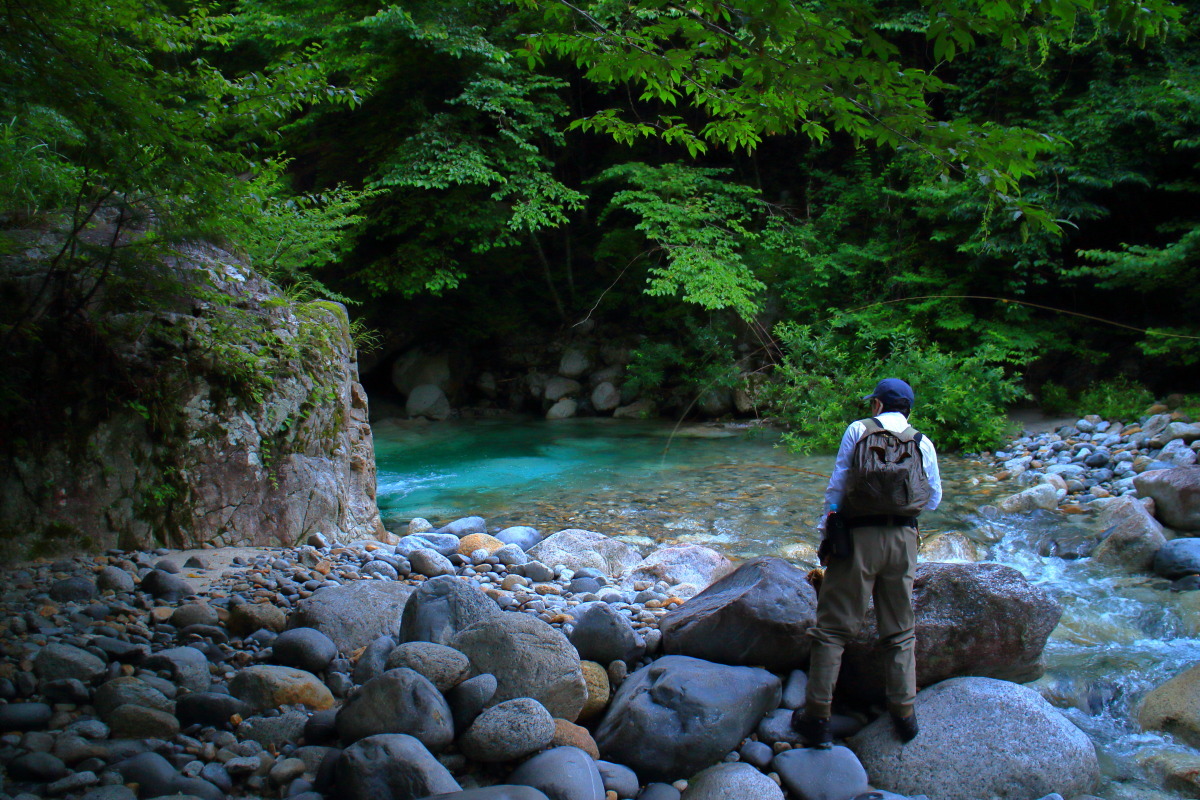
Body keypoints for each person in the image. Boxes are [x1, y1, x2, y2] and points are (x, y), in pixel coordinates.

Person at [795, 377, 942, 748]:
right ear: (908, 408)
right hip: (904, 541)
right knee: (899, 630)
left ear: (877, 405)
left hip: (857, 539)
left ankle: (817, 716)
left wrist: (826, 534)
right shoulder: (922, 440)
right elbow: (934, 499)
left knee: (833, 629)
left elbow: (837, 488)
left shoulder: (858, 430)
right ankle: (904, 715)